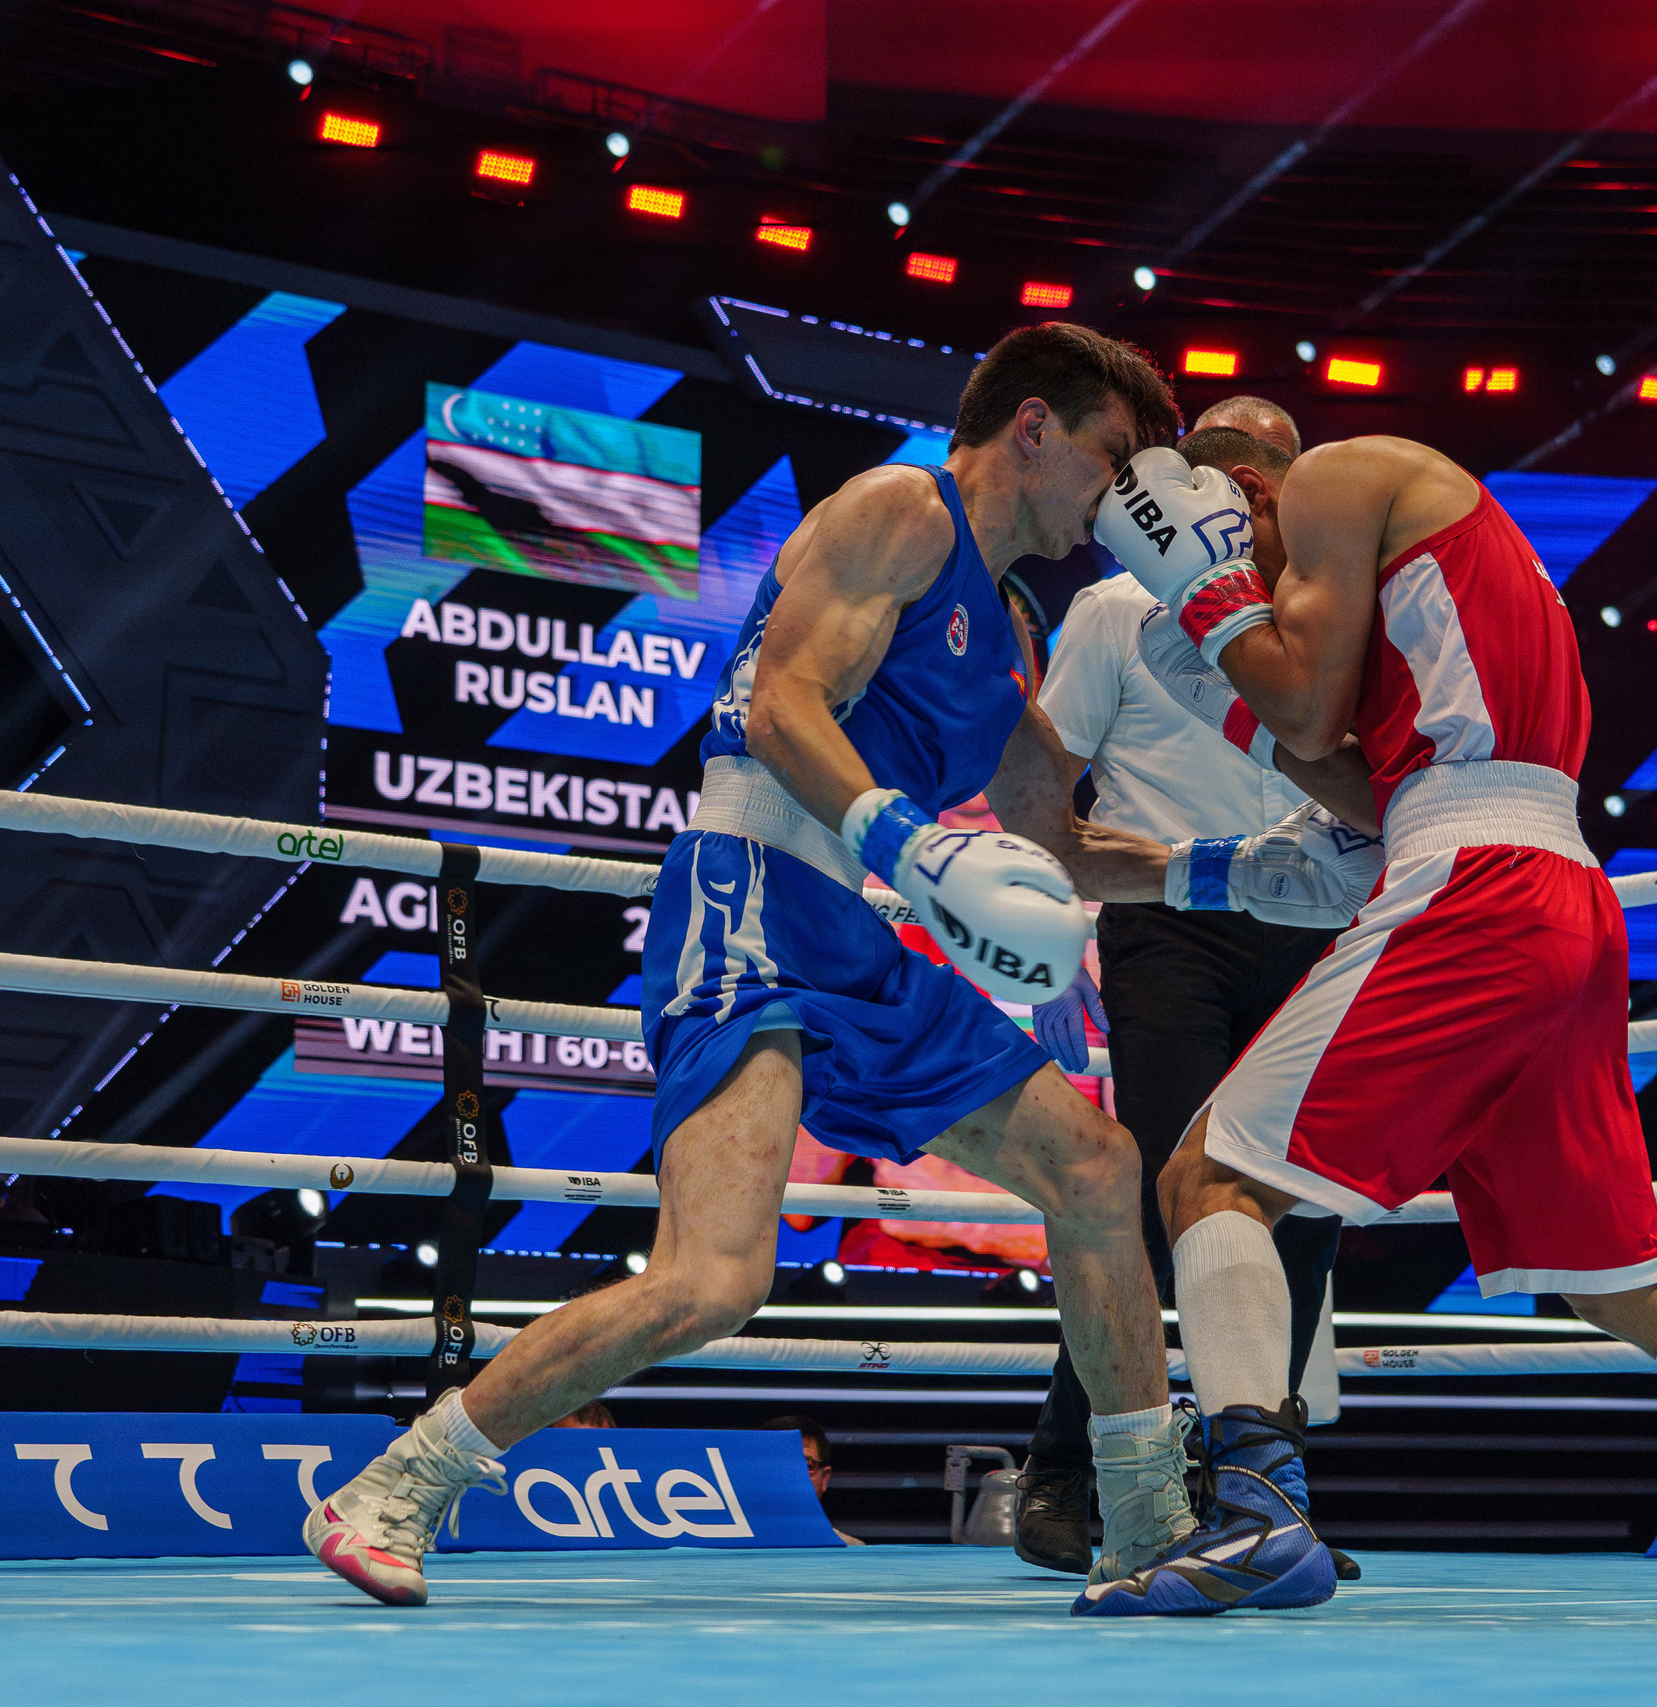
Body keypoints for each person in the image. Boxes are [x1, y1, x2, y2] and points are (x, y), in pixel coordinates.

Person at [303, 324, 1368, 1609]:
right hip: (750, 891)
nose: (1121, 495)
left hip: (854, 921)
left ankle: (1143, 1528)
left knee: (1095, 1170)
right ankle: (395, 1487)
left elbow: (1062, 841)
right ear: (1032, 428)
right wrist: (911, 847)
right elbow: (782, 709)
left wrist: (1242, 872)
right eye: (1109, 456)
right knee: (714, 1279)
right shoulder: (899, 507)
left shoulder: (1008, 627)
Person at [1075, 430, 1657, 1619]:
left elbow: (1299, 709)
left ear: (1242, 495)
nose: (1279, 588)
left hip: (1480, 880)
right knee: (1628, 1282)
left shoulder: (1337, 475)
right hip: (1549, 892)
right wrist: (1240, 717)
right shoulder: (1430, 580)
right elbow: (1349, 773)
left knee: (1209, 1177)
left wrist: (1215, 603)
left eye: (1257, 553)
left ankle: (1256, 1507)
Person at [995, 398, 1354, 1582]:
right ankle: (1068, 1463)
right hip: (1166, 924)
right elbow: (1039, 777)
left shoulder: (1322, 618)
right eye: (1225, 472)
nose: (1247, 495)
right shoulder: (1115, 607)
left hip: (1309, 925)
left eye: (1268, 475)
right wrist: (1048, 927)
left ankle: (1264, 1492)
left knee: (1295, 1203)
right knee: (1151, 1199)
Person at [764, 1415, 862, 1546]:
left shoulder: (850, 1550)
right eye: (776, 1465)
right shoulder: (728, 1547)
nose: (791, 1476)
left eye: (807, 1466)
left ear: (824, 1478)